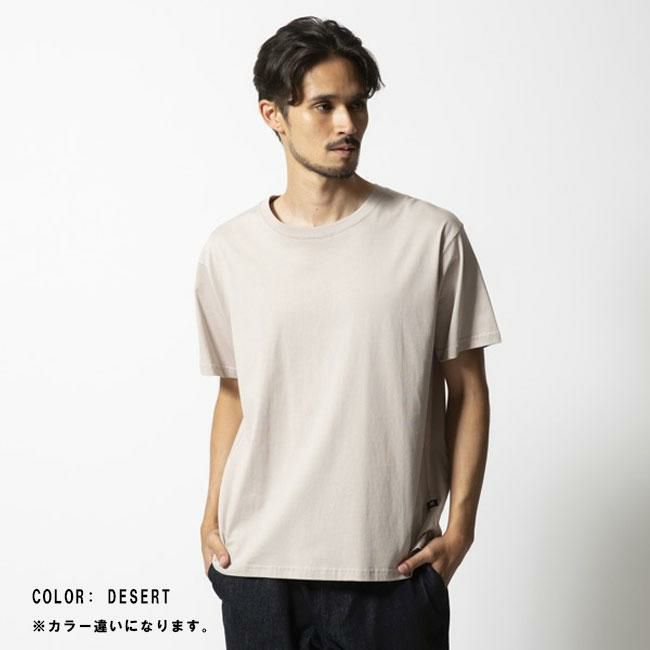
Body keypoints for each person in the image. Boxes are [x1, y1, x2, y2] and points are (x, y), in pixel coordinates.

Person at [195, 15, 502, 650]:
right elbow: (234, 392)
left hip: (391, 569)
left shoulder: (430, 237)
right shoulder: (230, 251)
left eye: (357, 105)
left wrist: (461, 530)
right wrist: (210, 517)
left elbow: (468, 389)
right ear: (274, 115)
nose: (347, 124)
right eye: (324, 106)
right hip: (257, 567)